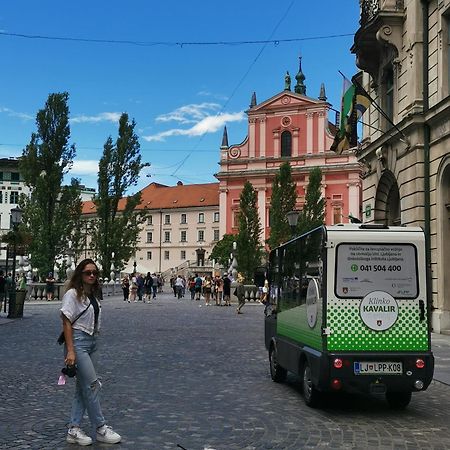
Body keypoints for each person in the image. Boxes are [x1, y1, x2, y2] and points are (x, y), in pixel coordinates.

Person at [60, 258, 121, 446]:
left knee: (83, 387)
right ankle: (100, 427)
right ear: (80, 274)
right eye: (88, 272)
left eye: (95, 272)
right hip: (78, 342)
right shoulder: (72, 294)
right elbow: (66, 322)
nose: (92, 275)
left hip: (93, 341)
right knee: (93, 385)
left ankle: (74, 429)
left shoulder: (92, 294)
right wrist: (70, 351)